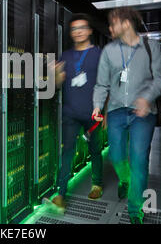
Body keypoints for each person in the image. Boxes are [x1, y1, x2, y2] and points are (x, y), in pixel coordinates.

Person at [92, 7, 161, 224]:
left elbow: (159, 79)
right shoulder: (109, 51)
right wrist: (97, 105)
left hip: (143, 113)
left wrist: (147, 98)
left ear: (125, 23)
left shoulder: (151, 47)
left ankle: (135, 211)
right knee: (116, 156)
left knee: (140, 160)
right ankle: (126, 180)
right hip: (115, 110)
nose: (110, 28)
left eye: (113, 23)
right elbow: (102, 83)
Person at [51, 13, 104, 211]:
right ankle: (61, 193)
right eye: (74, 29)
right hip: (70, 112)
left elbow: (105, 83)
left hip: (92, 113)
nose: (78, 32)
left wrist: (104, 109)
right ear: (71, 33)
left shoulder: (99, 54)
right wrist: (56, 73)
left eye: (82, 27)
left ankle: (97, 184)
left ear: (89, 30)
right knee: (67, 151)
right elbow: (57, 84)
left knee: (95, 149)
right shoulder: (65, 55)